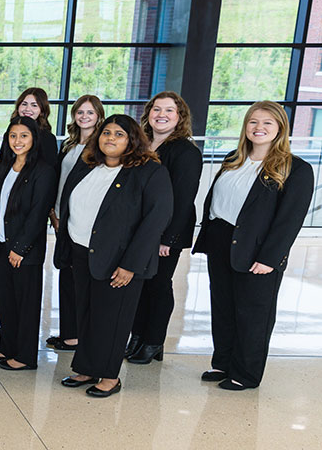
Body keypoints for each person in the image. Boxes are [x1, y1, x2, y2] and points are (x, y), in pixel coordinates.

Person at [193, 101, 313, 391]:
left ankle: (245, 373)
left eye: (267, 123)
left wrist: (270, 257)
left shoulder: (295, 169)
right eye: (253, 122)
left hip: (257, 249)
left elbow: (289, 220)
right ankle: (223, 362)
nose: (259, 128)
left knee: (253, 312)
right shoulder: (233, 158)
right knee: (223, 307)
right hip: (221, 241)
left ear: (280, 129)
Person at [54, 114, 172, 398]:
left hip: (119, 261)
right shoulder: (87, 165)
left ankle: (108, 376)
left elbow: (156, 219)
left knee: (112, 319)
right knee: (86, 315)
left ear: (132, 140)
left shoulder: (149, 172)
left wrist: (130, 264)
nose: (110, 138)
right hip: (81, 252)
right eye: (106, 133)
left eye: (119, 134)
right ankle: (85, 367)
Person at [126, 92, 202, 364]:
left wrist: (167, 238)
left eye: (170, 110)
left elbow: (183, 198)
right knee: (139, 285)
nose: (162, 114)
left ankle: (153, 341)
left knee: (158, 286)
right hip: (140, 229)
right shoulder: (140, 144)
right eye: (157, 109)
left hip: (166, 233)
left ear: (180, 117)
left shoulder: (186, 151)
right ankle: (136, 337)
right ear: (148, 113)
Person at [0, 116, 57, 370]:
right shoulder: (4, 166)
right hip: (3, 245)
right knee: (6, 301)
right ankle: (7, 349)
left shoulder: (44, 171)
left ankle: (25, 357)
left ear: (34, 139)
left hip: (25, 250)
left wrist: (20, 248)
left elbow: (38, 214)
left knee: (26, 305)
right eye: (13, 136)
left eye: (24, 136)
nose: (17, 141)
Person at [46, 95, 104, 351]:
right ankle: (68, 331)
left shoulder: (100, 147)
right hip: (62, 215)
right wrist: (54, 213)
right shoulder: (69, 145)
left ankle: (78, 335)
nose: (84, 117)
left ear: (98, 116)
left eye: (89, 113)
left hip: (82, 220)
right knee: (65, 276)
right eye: (80, 112)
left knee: (80, 279)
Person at [12, 87, 59, 168]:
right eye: (24, 104)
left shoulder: (48, 138)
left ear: (42, 111)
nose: (27, 109)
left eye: (34, 105)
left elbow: (50, 172)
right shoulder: (11, 133)